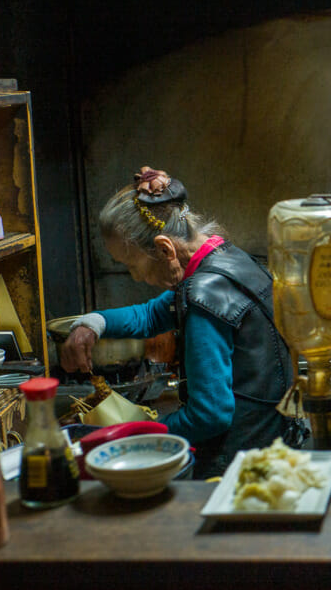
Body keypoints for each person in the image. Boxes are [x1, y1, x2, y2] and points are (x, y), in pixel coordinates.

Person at [62, 167, 293, 479]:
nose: (135, 276)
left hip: (238, 466)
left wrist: (133, 438)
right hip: (275, 441)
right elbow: (150, 316)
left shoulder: (203, 296)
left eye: (132, 264)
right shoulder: (228, 259)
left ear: (164, 249)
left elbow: (210, 416)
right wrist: (91, 324)